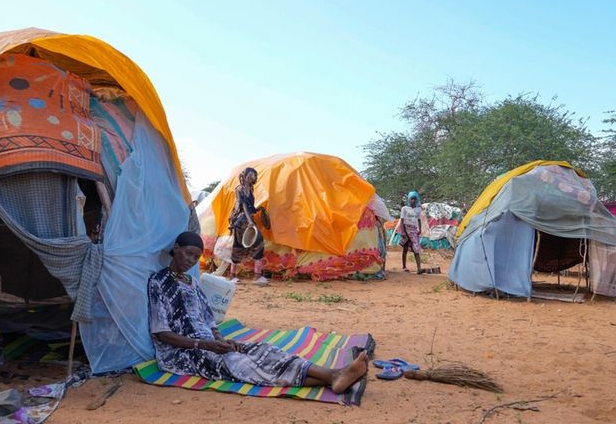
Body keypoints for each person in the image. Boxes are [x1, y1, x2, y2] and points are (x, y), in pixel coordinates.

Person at [147, 232, 369, 393]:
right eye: (187, 254)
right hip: (180, 353)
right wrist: (205, 345)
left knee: (262, 350)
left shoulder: (192, 283)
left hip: (207, 343)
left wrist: (221, 340)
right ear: (175, 249)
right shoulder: (159, 282)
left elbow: (209, 321)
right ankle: (332, 377)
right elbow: (161, 334)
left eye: (196, 257)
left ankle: (332, 376)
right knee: (240, 364)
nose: (191, 261)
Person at [228, 167, 268, 286]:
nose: (254, 177)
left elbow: (250, 207)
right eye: (252, 174)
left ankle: (255, 275)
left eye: (255, 175)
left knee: (254, 243)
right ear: (245, 175)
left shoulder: (250, 189)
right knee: (241, 245)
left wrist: (258, 209)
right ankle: (236, 276)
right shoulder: (239, 189)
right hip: (240, 220)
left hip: (247, 218)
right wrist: (250, 221)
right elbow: (244, 205)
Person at [399, 191, 424, 274]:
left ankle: (419, 268)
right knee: (405, 248)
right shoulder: (404, 208)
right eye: (411, 199)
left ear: (417, 200)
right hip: (406, 229)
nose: (413, 200)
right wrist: (403, 232)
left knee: (416, 249)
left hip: (414, 230)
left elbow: (419, 220)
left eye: (414, 199)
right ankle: (404, 266)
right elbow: (402, 221)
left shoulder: (418, 209)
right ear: (408, 200)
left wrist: (420, 229)